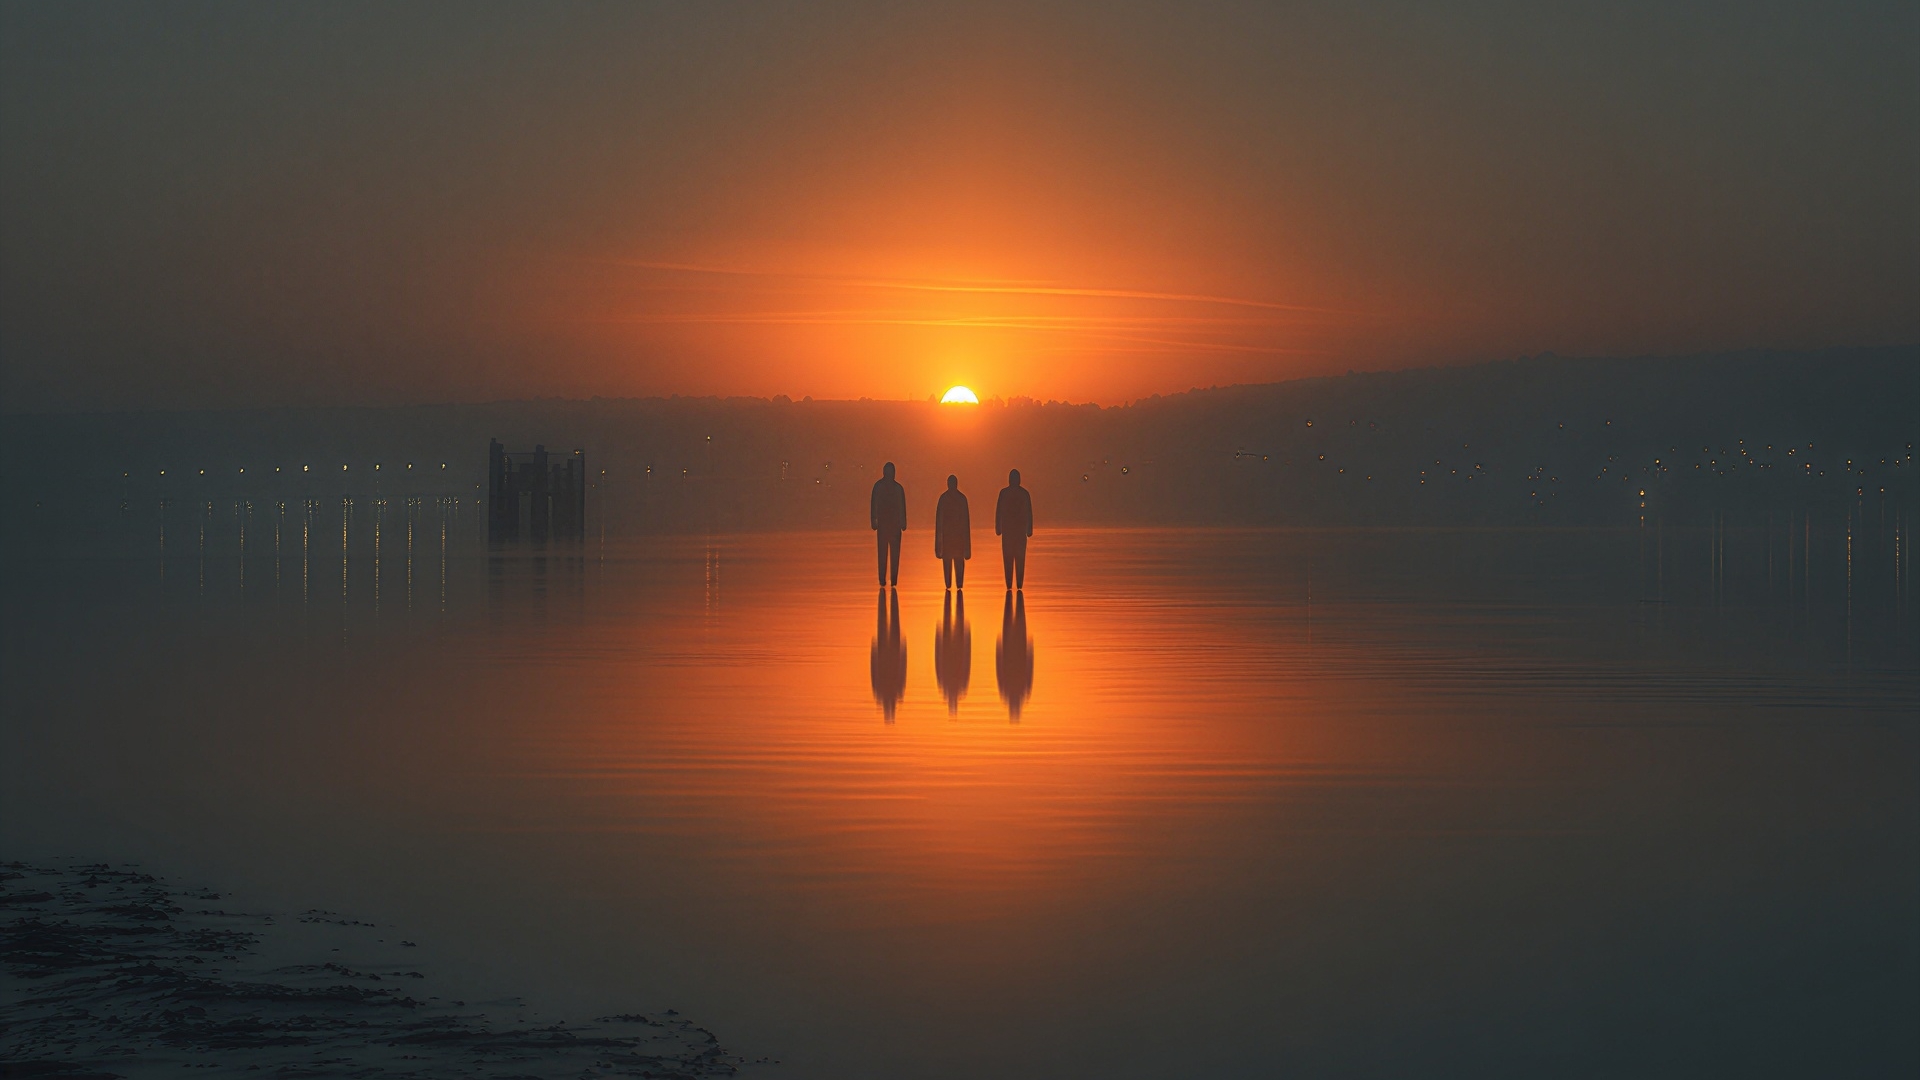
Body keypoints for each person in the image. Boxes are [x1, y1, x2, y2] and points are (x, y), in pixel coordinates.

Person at [994, 468, 1033, 590]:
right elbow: (999, 511)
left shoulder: (1007, 493)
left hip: (1013, 531)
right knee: (1013, 557)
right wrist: (998, 527)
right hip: (1014, 531)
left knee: (1013, 557)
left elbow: (1028, 512)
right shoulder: (1021, 494)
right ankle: (1012, 583)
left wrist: (998, 528)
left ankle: (1014, 583)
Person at [870, 461, 907, 587]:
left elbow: (902, 506)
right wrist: (874, 520)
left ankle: (894, 578)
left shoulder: (898, 488)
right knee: (882, 553)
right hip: (883, 524)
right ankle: (882, 578)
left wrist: (903, 521)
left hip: (894, 525)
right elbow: (873, 504)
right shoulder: (879, 487)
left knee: (895, 553)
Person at [934, 474, 971, 589]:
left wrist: (967, 548)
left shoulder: (945, 498)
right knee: (950, 562)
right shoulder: (959, 499)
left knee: (954, 562)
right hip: (951, 538)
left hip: (953, 538)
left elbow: (966, 523)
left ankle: (954, 584)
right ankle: (951, 584)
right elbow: (939, 523)